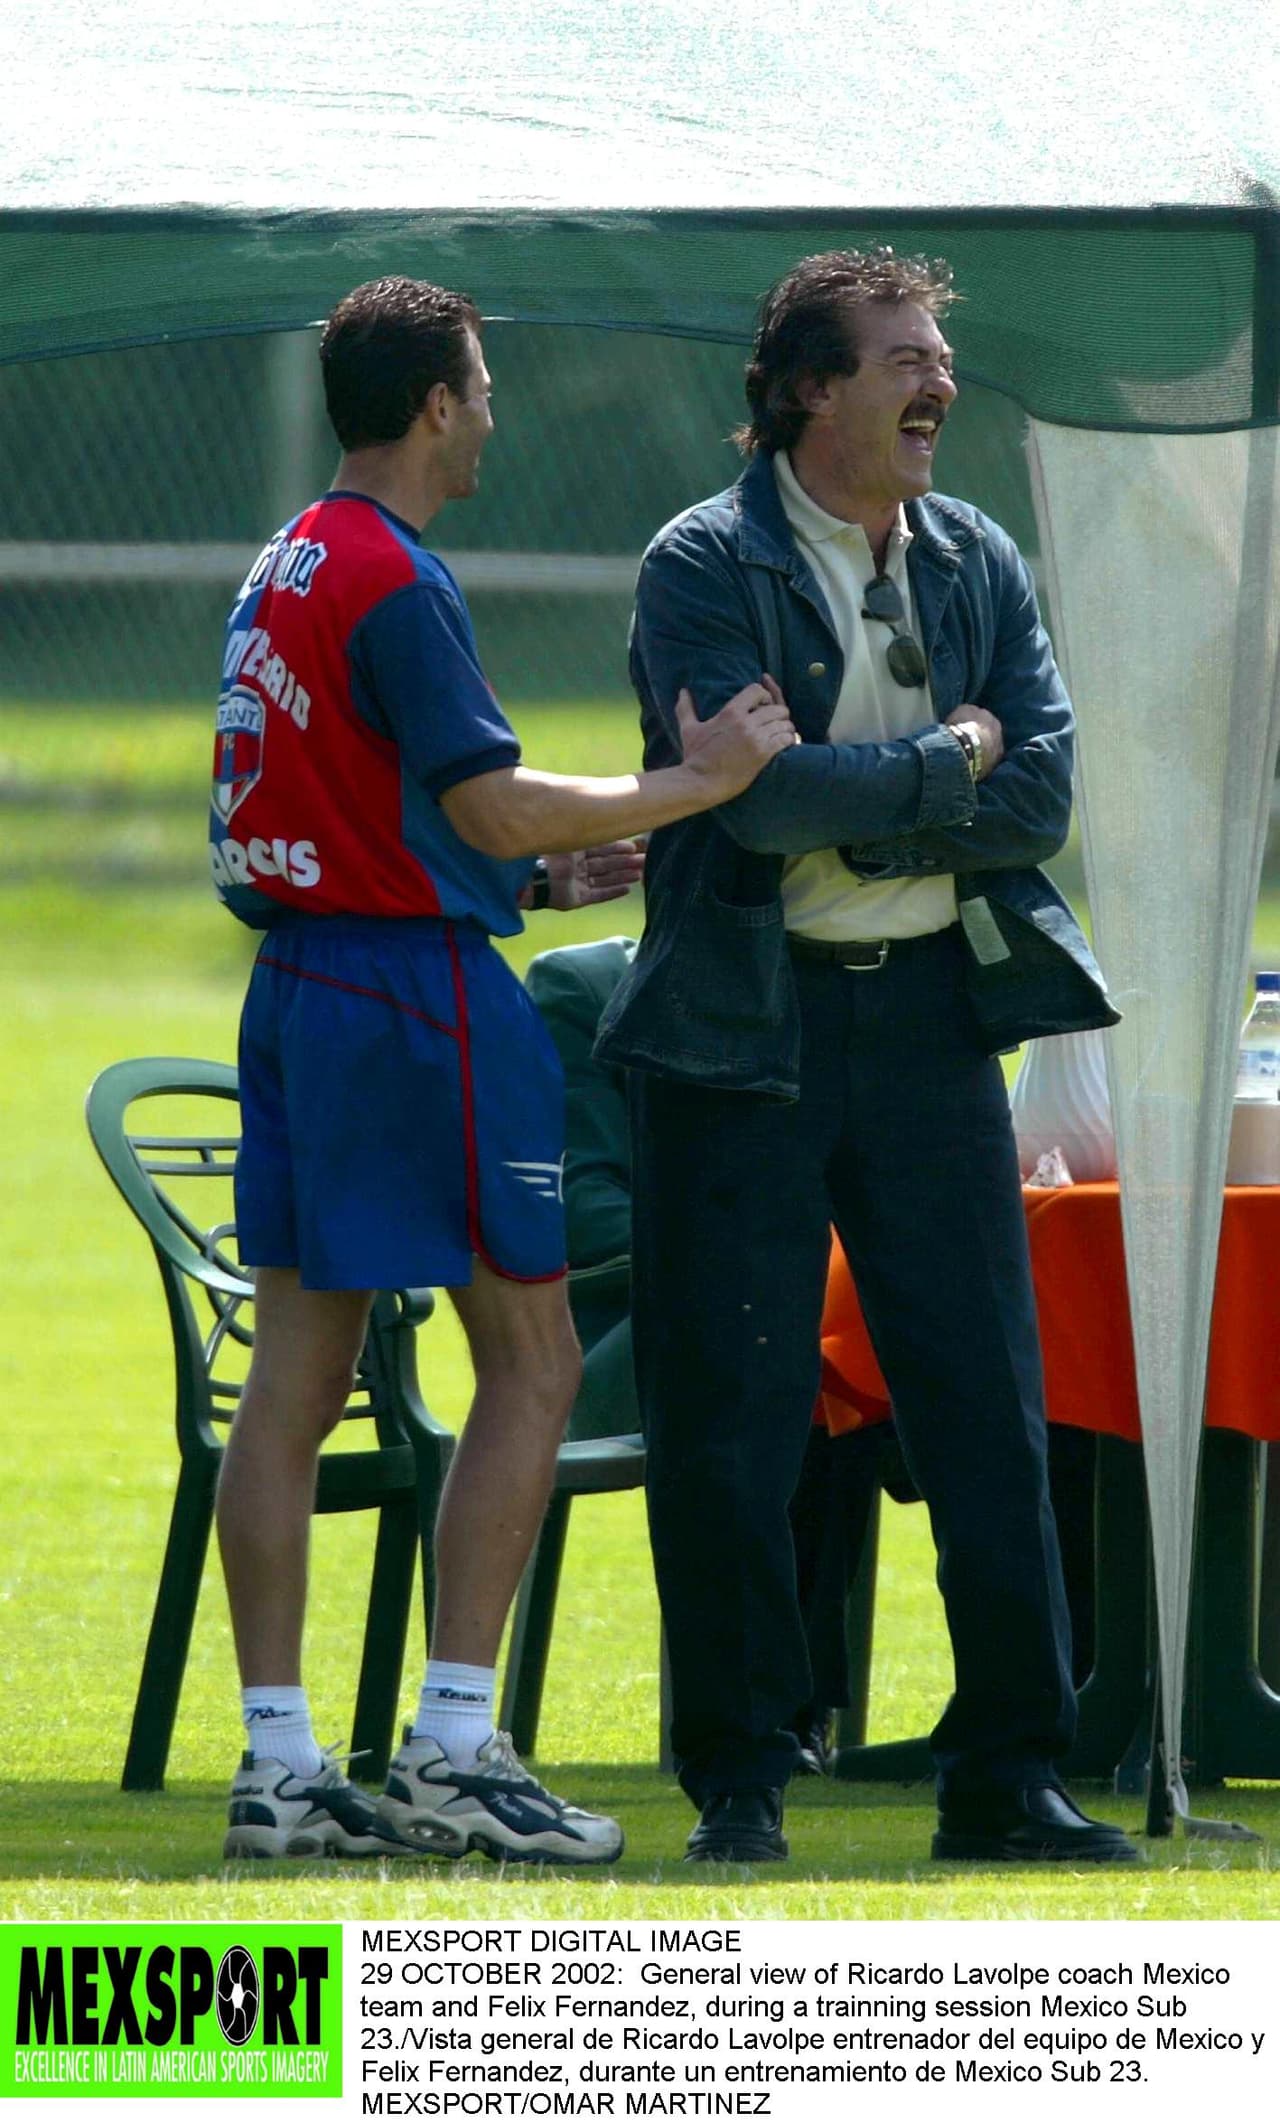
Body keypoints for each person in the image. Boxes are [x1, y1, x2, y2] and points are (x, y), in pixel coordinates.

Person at [209, 274, 796, 1866]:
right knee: (533, 1358)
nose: (491, 417)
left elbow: (377, 810)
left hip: (301, 985)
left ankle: (279, 1770)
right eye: (479, 389)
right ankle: (456, 1749)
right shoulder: (395, 575)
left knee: (295, 1379)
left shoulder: (287, 555)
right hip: (412, 1002)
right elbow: (494, 803)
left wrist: (524, 886)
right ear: (433, 405)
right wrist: (697, 780)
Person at [596, 246, 1139, 1864]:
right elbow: (758, 803)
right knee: (736, 1421)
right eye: (903, 357)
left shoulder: (976, 556)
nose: (938, 383)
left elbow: (1042, 795)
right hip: (740, 1035)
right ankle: (743, 1783)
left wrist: (891, 787)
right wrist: (948, 756)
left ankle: (1012, 1777)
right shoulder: (703, 561)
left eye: (937, 356)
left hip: (929, 1028)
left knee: (988, 1405)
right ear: (807, 391)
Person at [527, 936, 910, 1773]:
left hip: (833, 1315)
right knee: (786, 1344)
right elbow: (580, 1204)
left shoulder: (859, 985)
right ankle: (782, 1712)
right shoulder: (583, 986)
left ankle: (1080, 1695)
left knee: (1049, 1358)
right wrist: (751, 1245)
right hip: (640, 1332)